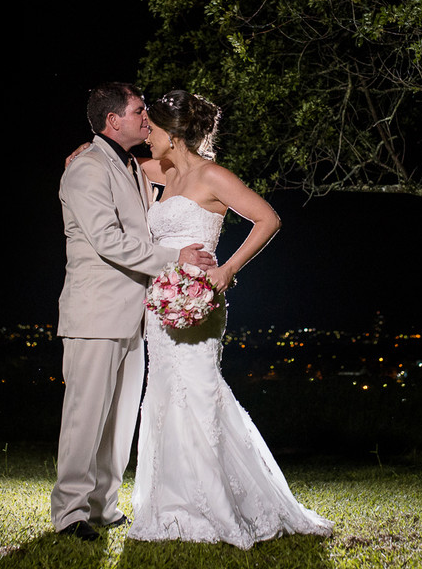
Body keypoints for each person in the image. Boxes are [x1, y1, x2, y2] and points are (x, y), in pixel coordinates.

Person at [127, 90, 333, 549]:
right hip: (162, 303)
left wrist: (227, 270)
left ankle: (215, 503)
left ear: (174, 134)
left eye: (154, 130)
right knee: (163, 392)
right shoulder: (164, 170)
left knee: (198, 391)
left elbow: (267, 219)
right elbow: (116, 163)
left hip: (200, 299)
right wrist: (88, 148)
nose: (148, 136)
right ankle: (171, 500)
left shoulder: (212, 175)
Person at [51, 82, 215, 542]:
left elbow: (183, 168)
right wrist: (174, 258)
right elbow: (107, 240)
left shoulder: (134, 166)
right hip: (95, 313)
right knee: (85, 416)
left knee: (120, 418)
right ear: (112, 121)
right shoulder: (86, 168)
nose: (148, 119)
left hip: (137, 314)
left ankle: (103, 505)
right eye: (140, 111)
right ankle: (69, 512)